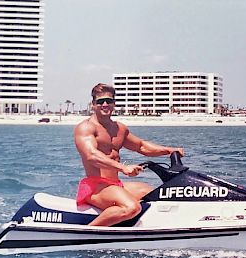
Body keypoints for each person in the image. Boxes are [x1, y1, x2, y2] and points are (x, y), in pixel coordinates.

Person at [74, 83, 184, 226]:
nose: (105, 104)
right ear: (93, 104)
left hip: (115, 184)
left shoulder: (119, 128)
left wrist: (168, 150)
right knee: (132, 207)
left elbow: (141, 146)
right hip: (95, 187)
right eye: (100, 101)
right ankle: (87, 235)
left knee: (158, 194)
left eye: (109, 101)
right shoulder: (86, 127)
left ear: (114, 104)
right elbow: (92, 155)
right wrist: (122, 167)